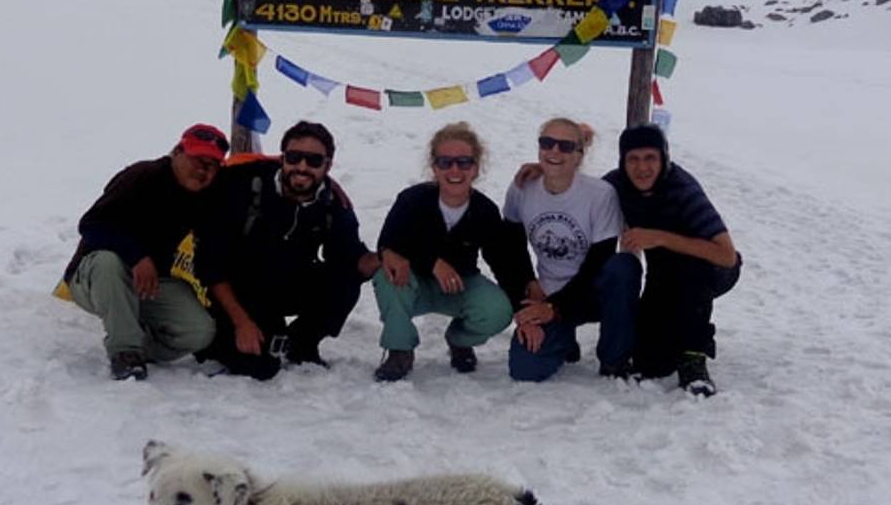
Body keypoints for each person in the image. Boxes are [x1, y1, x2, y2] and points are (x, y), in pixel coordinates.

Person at [196, 120, 380, 380]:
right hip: (236, 292)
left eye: (314, 161)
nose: (302, 167)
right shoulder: (244, 184)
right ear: (283, 158)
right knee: (260, 367)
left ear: (327, 166)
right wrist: (241, 322)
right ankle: (219, 341)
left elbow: (351, 258)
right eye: (295, 157)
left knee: (344, 279)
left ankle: (302, 344)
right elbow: (211, 264)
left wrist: (386, 257)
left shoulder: (332, 202)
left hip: (287, 283)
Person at [61, 124, 229, 380]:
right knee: (109, 263)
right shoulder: (142, 175)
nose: (203, 169)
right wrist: (137, 256)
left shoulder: (206, 198)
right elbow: (91, 225)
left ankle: (139, 342)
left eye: (212, 164)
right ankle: (125, 352)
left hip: (151, 283)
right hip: (94, 275)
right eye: (197, 159)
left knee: (200, 331)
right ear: (178, 152)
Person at [371, 123, 534, 381]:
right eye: (445, 162)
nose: (454, 170)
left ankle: (459, 340)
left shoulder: (484, 211)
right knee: (387, 276)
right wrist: (431, 262)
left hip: (459, 284)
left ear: (476, 168)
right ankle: (399, 350)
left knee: (497, 310)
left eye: (464, 162)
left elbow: (504, 263)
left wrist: (522, 310)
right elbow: (388, 243)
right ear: (434, 167)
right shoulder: (412, 200)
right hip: (413, 284)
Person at [604, 124, 741, 396]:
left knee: (691, 271)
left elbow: (726, 255)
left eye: (650, 158)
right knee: (651, 362)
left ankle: (694, 358)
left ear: (663, 158)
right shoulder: (615, 184)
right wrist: (542, 173)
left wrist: (660, 238)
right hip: (663, 274)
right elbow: (578, 193)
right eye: (633, 159)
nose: (642, 167)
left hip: (709, 268)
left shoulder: (682, 189)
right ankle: (671, 343)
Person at [504, 117, 638, 382]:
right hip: (547, 293)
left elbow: (599, 262)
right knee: (525, 369)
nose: (554, 151)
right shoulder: (522, 187)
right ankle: (563, 340)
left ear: (579, 155)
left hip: (592, 293)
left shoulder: (600, 195)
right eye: (547, 143)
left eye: (565, 146)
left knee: (623, 267)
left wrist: (555, 307)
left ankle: (614, 360)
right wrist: (526, 298)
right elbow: (509, 248)